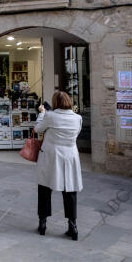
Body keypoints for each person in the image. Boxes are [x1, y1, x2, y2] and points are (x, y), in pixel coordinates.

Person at [34, 90, 83, 241]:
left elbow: (38, 129)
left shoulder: (50, 115)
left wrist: (42, 113)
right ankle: (72, 225)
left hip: (51, 155)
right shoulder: (78, 118)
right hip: (69, 156)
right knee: (70, 190)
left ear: (55, 102)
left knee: (44, 188)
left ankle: (42, 223)